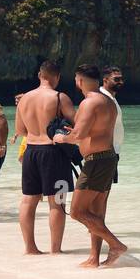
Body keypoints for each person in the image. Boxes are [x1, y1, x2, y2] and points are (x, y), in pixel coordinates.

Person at [53, 64, 128, 268]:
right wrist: (75, 133)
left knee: (77, 211)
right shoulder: (108, 101)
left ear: (79, 81)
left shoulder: (89, 102)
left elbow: (79, 135)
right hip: (108, 158)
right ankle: (94, 258)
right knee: (95, 213)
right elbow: (95, 131)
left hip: (96, 162)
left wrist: (61, 138)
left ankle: (116, 245)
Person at [15, 60, 77, 255]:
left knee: (28, 201)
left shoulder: (24, 99)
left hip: (31, 151)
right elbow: (77, 125)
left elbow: (20, 130)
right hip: (53, 153)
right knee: (57, 202)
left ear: (40, 75)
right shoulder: (59, 97)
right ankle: (55, 250)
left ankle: (30, 248)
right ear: (56, 77)